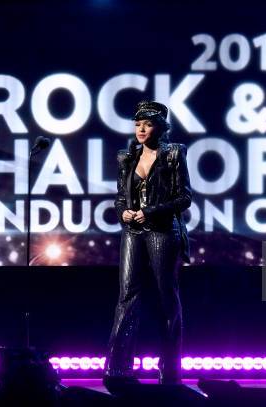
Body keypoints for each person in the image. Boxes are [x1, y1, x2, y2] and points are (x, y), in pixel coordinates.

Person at [104, 100, 192, 385]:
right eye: (137, 124)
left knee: (166, 297)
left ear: (161, 127)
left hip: (163, 230)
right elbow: (119, 196)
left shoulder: (174, 154)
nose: (141, 129)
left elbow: (184, 198)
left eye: (148, 124)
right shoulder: (126, 157)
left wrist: (149, 211)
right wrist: (124, 212)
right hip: (133, 231)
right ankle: (118, 370)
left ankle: (170, 370)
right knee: (127, 296)